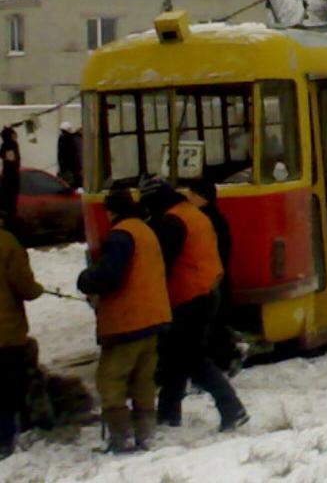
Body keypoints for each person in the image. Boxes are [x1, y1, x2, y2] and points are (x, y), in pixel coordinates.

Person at [139, 179, 248, 432]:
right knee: (177, 355)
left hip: (188, 296)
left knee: (191, 357)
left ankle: (233, 408)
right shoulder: (191, 214)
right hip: (207, 290)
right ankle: (168, 413)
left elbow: (161, 264)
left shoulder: (172, 222)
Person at [77, 191, 172, 453]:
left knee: (111, 379)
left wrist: (86, 279)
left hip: (128, 320)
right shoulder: (145, 230)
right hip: (153, 316)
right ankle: (146, 434)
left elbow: (110, 274)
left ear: (111, 212)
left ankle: (121, 438)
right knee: (143, 379)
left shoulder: (121, 235)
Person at [185, 180, 242, 375]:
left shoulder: (206, 221)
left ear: (203, 198)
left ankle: (224, 360)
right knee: (214, 324)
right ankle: (227, 356)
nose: (188, 198)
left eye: (193, 194)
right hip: (215, 278)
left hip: (210, 280)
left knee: (211, 325)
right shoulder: (213, 218)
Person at [0, 210, 43, 459]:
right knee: (7, 386)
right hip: (6, 333)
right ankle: (6, 438)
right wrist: (36, 289)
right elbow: (24, 286)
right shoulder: (7, 243)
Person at [0, 127, 21, 218]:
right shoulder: (10, 145)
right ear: (10, 136)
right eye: (13, 134)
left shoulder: (8, 145)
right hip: (11, 175)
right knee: (11, 196)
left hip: (9, 175)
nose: (16, 135)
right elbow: (11, 160)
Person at [57, 122, 82, 189]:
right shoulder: (69, 138)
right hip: (70, 168)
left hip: (64, 168)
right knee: (72, 185)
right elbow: (73, 154)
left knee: (67, 185)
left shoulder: (61, 138)